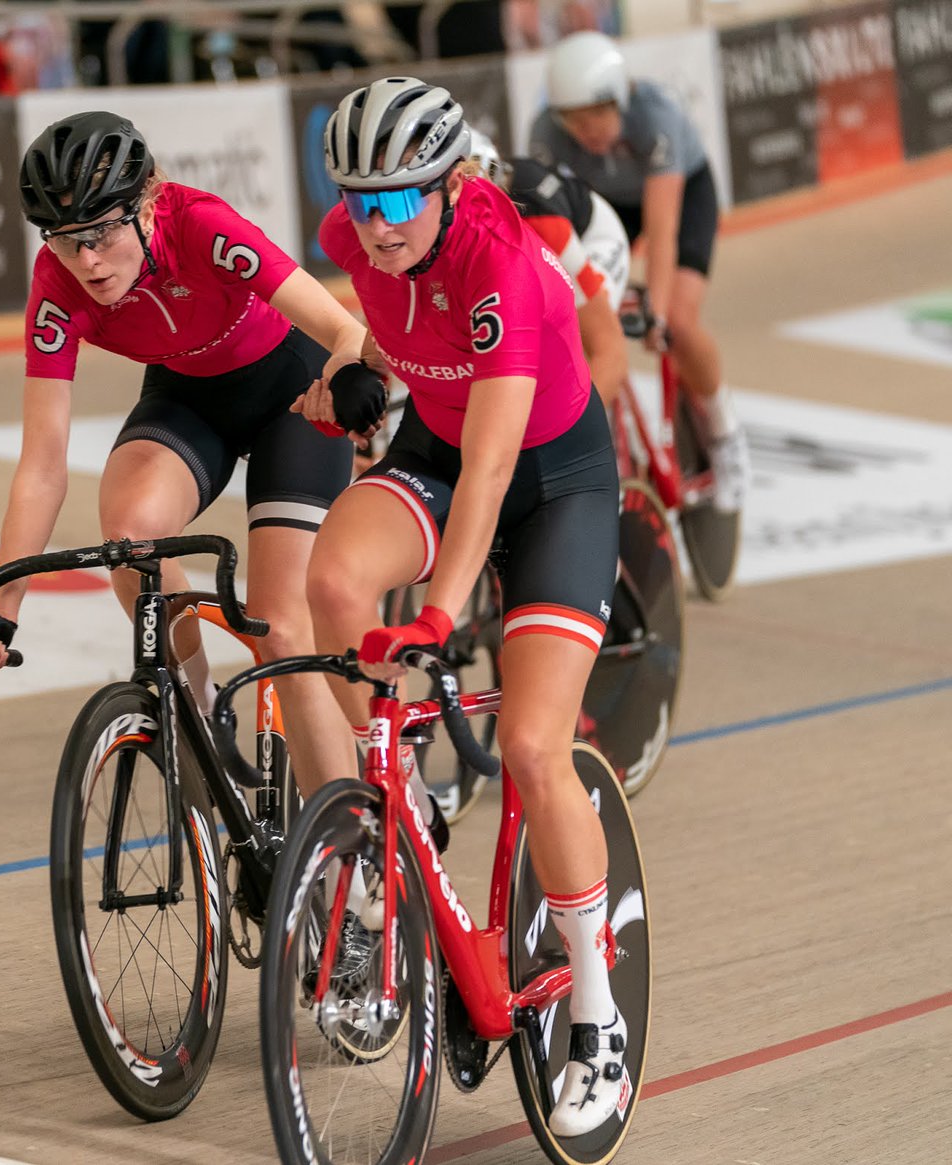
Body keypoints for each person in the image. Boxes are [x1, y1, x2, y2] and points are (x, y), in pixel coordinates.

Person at [294, 76, 627, 1137]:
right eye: (360, 201)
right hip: (438, 449)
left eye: (401, 200)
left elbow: (491, 475)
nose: (377, 225)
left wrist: (439, 618)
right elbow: (391, 328)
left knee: (530, 745)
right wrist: (354, 368)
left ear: (448, 186)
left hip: (554, 483)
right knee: (332, 581)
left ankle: (595, 1009)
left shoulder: (502, 269)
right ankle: (400, 798)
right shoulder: (355, 237)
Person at [0, 110, 364, 794]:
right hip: (188, 395)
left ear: (145, 205)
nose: (87, 260)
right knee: (131, 537)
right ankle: (198, 713)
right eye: (64, 239)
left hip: (290, 394)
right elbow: (43, 465)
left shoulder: (201, 225)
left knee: (280, 627)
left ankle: (345, 836)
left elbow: (344, 332)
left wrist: (350, 379)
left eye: (102, 232)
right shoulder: (56, 286)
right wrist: (5, 601)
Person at [530, 30, 750, 512]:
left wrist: (658, 315)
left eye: (597, 114)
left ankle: (726, 433)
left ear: (620, 99)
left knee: (680, 322)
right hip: (606, 209)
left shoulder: (656, 117)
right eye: (574, 119)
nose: (587, 130)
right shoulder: (546, 134)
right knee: (583, 318)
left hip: (681, 197)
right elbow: (552, 234)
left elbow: (662, 230)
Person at [468, 127, 629, 406]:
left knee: (572, 337)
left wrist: (581, 427)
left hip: (590, 239)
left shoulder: (543, 221)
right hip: (530, 247)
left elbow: (609, 348)